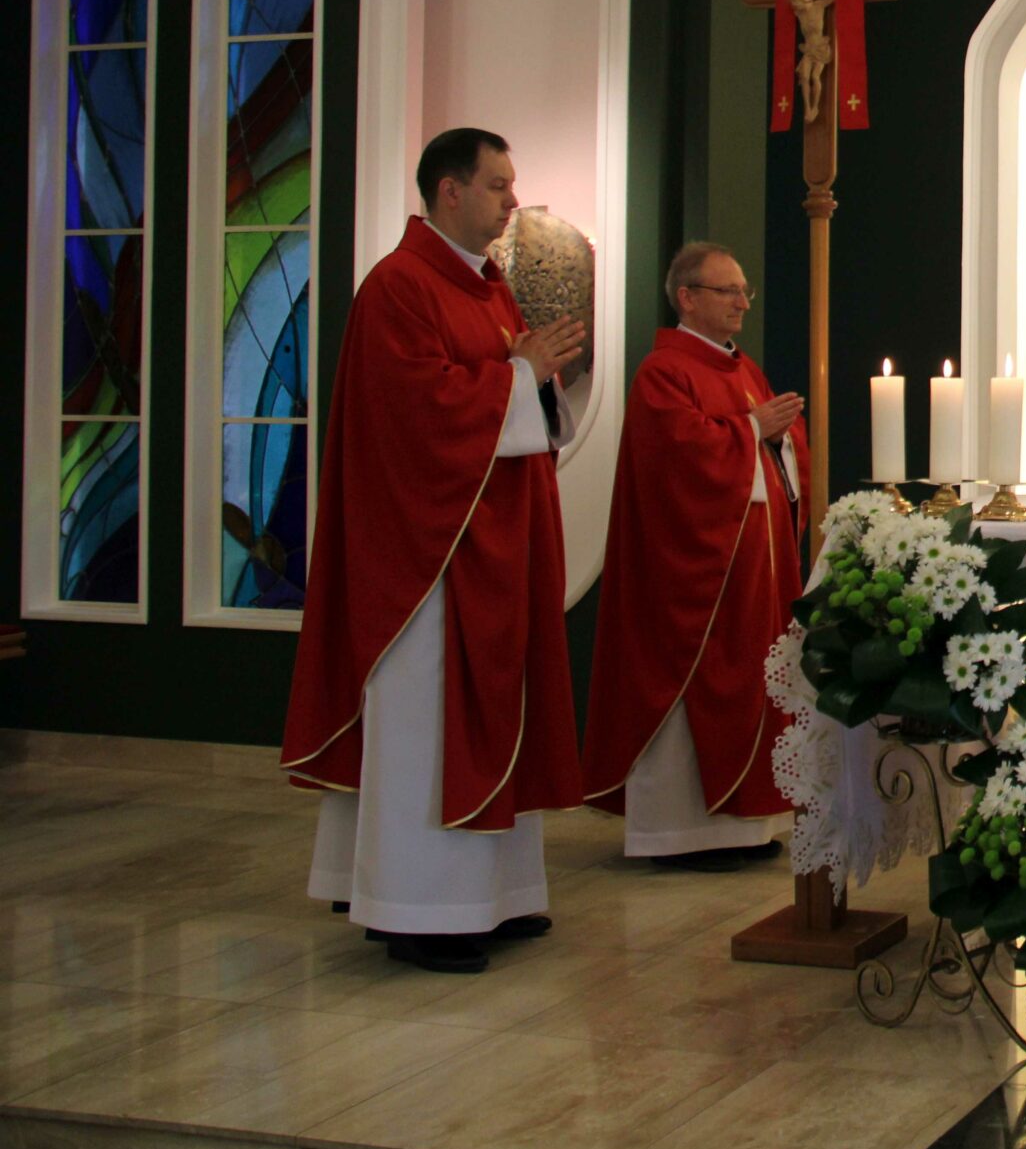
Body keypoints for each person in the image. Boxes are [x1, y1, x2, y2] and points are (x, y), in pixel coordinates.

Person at [283, 128, 585, 975]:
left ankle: (498, 894)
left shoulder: (488, 287)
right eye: (497, 184)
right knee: (425, 728)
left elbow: (512, 390)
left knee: (489, 715)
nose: (512, 200)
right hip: (424, 554)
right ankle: (418, 910)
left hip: (489, 541)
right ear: (448, 190)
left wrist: (529, 375)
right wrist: (516, 375)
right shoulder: (399, 286)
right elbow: (414, 409)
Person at [581, 243, 805, 871]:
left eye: (744, 291)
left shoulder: (744, 369)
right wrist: (751, 431)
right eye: (726, 291)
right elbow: (675, 458)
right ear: (686, 298)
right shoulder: (664, 372)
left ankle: (747, 823)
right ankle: (683, 834)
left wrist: (781, 438)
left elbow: (773, 451)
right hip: (693, 575)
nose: (741, 303)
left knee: (756, 684)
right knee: (693, 687)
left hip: (752, 572)